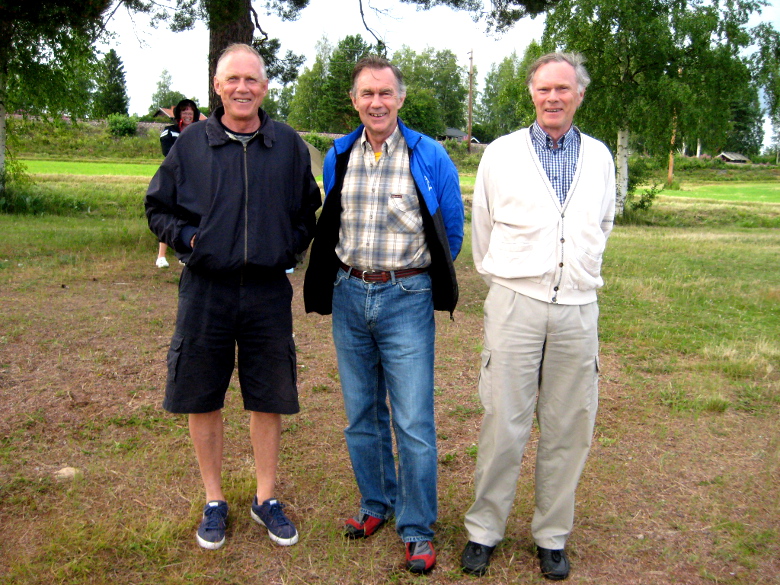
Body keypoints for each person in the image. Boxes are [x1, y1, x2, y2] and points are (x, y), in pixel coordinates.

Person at [145, 43, 321, 551]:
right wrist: (189, 240)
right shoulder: (191, 144)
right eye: (232, 79)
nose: (243, 88)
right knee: (203, 393)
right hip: (206, 290)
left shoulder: (286, 144)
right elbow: (158, 207)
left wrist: (287, 245)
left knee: (268, 395)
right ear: (217, 87)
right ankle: (215, 500)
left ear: (265, 88)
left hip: (267, 290)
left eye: (252, 79)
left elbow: (309, 211)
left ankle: (265, 497)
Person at [303, 56, 464, 573]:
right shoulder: (339, 154)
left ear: (400, 98)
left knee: (413, 421)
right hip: (350, 295)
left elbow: (450, 233)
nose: (377, 102)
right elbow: (334, 221)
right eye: (367, 94)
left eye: (386, 93)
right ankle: (376, 505)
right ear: (354, 101)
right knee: (360, 416)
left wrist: (419, 280)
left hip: (407, 299)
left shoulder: (429, 154)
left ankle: (416, 528)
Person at [460, 52, 615, 581]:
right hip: (514, 305)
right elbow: (482, 227)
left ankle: (552, 535)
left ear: (579, 95)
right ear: (532, 93)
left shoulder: (599, 157)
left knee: (569, 428)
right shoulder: (501, 154)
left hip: (577, 309)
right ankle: (484, 530)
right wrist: (512, 279)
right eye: (544, 89)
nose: (553, 97)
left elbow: (602, 223)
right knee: (503, 421)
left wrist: (571, 273)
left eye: (563, 89)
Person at [155, 98, 202, 268]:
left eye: (190, 111)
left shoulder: (200, 132)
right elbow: (168, 153)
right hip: (174, 179)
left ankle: (186, 252)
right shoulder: (169, 132)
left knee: (192, 214)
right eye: (184, 111)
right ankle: (161, 256)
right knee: (170, 212)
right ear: (178, 114)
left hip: (196, 180)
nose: (188, 114)